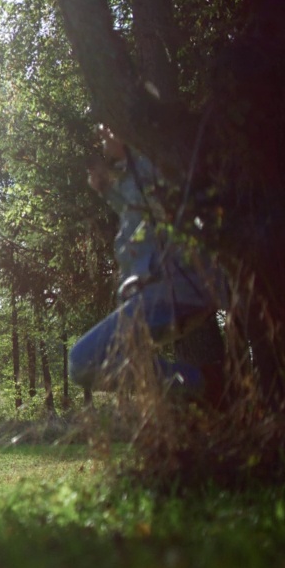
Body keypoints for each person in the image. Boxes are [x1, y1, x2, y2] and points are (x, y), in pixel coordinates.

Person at [68, 126, 226, 400]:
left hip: (170, 291)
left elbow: (155, 202)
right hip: (165, 293)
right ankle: (202, 392)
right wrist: (107, 188)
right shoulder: (136, 177)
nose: (101, 133)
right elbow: (142, 214)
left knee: (82, 362)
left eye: (107, 128)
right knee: (85, 364)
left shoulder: (149, 162)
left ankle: (208, 385)